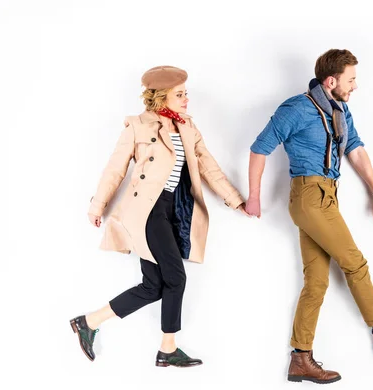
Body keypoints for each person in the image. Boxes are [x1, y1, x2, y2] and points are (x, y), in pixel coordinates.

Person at [246, 50, 373, 384]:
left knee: (316, 281)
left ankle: (300, 358)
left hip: (328, 196)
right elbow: (260, 147)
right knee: (354, 263)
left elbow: (354, 149)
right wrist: (254, 197)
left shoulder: (340, 111)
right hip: (309, 196)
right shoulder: (296, 108)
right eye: (351, 79)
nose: (355, 85)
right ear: (331, 81)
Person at [70, 65, 249, 367]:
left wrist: (236, 201)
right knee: (176, 277)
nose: (186, 99)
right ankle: (167, 347)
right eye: (180, 94)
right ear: (161, 97)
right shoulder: (137, 126)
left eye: (186, 93)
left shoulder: (188, 127)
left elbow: (208, 167)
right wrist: (97, 206)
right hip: (146, 211)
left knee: (153, 286)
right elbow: (116, 168)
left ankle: (88, 322)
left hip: (172, 210)